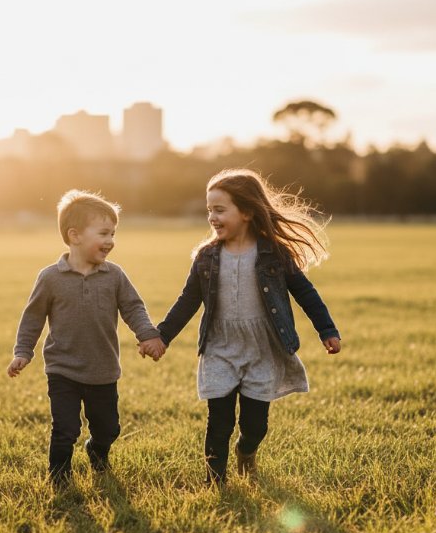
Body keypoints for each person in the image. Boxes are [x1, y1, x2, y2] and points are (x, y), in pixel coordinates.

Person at [146, 169, 341, 485]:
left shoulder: (273, 253)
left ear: (248, 212)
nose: (212, 216)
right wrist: (162, 336)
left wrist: (327, 330)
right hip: (220, 347)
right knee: (218, 422)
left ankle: (246, 451)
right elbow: (188, 300)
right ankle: (215, 482)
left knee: (256, 425)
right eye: (209, 209)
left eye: (220, 209)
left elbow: (305, 292)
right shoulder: (206, 257)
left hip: (262, 349)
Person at [8, 189, 166, 487]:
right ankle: (59, 478)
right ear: (75, 235)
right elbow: (33, 317)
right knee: (64, 429)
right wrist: (23, 351)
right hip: (62, 369)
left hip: (103, 369)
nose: (110, 241)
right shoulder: (50, 278)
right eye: (104, 233)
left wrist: (147, 335)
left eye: (113, 233)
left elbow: (133, 307)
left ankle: (97, 450)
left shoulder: (114, 275)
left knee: (109, 428)